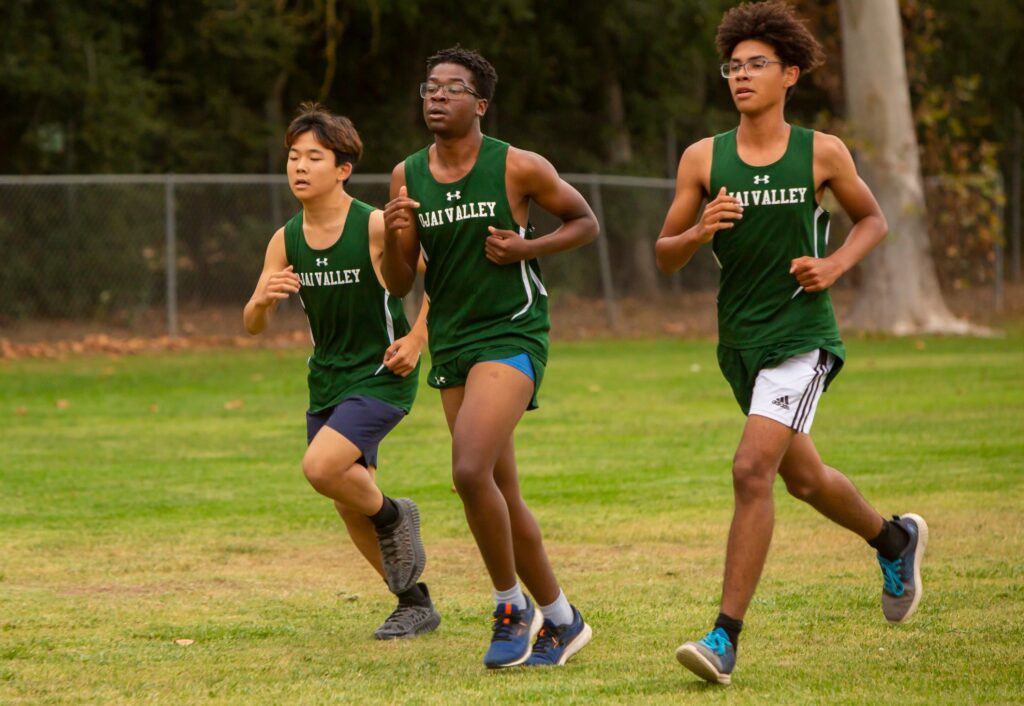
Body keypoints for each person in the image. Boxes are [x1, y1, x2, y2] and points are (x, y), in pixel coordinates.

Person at [655, 1, 927, 685]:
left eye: (757, 65)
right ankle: (894, 538)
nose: (742, 76)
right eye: (733, 67)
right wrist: (699, 230)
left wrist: (833, 266)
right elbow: (665, 255)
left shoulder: (821, 152)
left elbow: (872, 220)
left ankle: (724, 637)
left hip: (803, 337)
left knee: (751, 471)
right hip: (739, 343)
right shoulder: (702, 158)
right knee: (802, 478)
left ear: (790, 74)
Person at [380, 46, 597, 668]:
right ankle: (563, 618)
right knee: (500, 490)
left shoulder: (517, 165)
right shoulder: (406, 175)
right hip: (453, 340)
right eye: (430, 86)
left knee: (470, 470)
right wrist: (397, 233)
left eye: (452, 88)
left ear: (480, 104)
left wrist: (528, 248)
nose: (436, 96)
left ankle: (510, 608)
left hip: (513, 332)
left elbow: (584, 222)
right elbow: (399, 282)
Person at [243, 102, 439, 640]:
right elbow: (253, 323)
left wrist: (417, 339)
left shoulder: (373, 224)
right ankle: (414, 603)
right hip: (327, 380)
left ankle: (395, 515)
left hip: (381, 374)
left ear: (343, 169)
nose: (299, 167)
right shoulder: (285, 239)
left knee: (321, 468)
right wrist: (262, 299)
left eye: (314, 157)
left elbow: (441, 277)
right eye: (293, 157)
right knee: (349, 502)